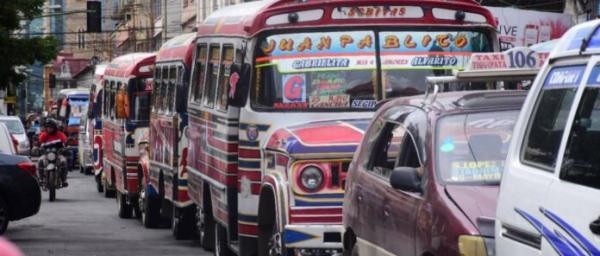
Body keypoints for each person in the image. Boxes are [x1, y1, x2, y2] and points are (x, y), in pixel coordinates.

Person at [37, 119, 68, 187]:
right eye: (48, 127)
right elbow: (39, 142)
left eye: (51, 127)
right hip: (46, 155)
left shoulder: (60, 134)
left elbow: (65, 141)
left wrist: (65, 147)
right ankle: (41, 179)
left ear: (54, 128)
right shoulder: (44, 134)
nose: (49, 129)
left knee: (64, 161)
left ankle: (64, 180)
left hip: (58, 154)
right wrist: (38, 147)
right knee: (40, 161)